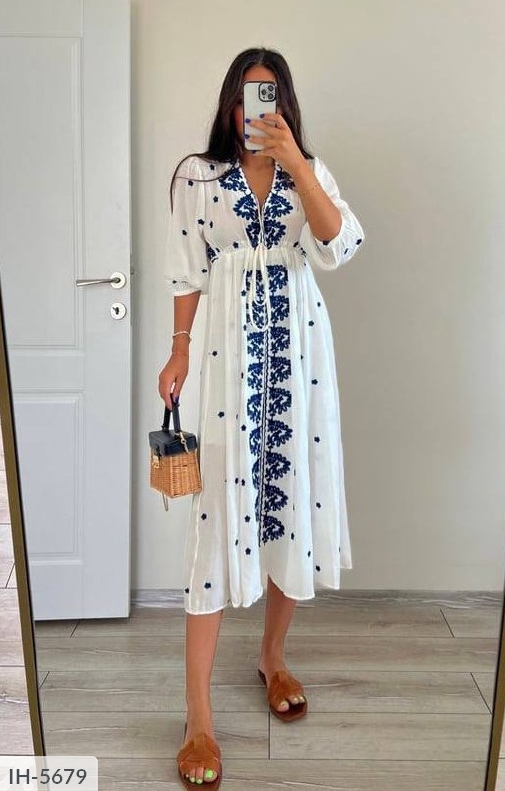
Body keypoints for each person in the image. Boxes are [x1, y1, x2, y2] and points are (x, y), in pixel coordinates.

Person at [158, 47, 365, 789]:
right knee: (216, 517)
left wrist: (296, 163)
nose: (256, 108)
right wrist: (178, 350)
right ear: (228, 104)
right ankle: (198, 718)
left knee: (291, 505)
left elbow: (337, 245)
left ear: (285, 103)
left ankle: (272, 658)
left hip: (299, 359)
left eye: (269, 94)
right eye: (247, 95)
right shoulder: (196, 175)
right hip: (225, 358)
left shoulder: (308, 169)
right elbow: (186, 268)